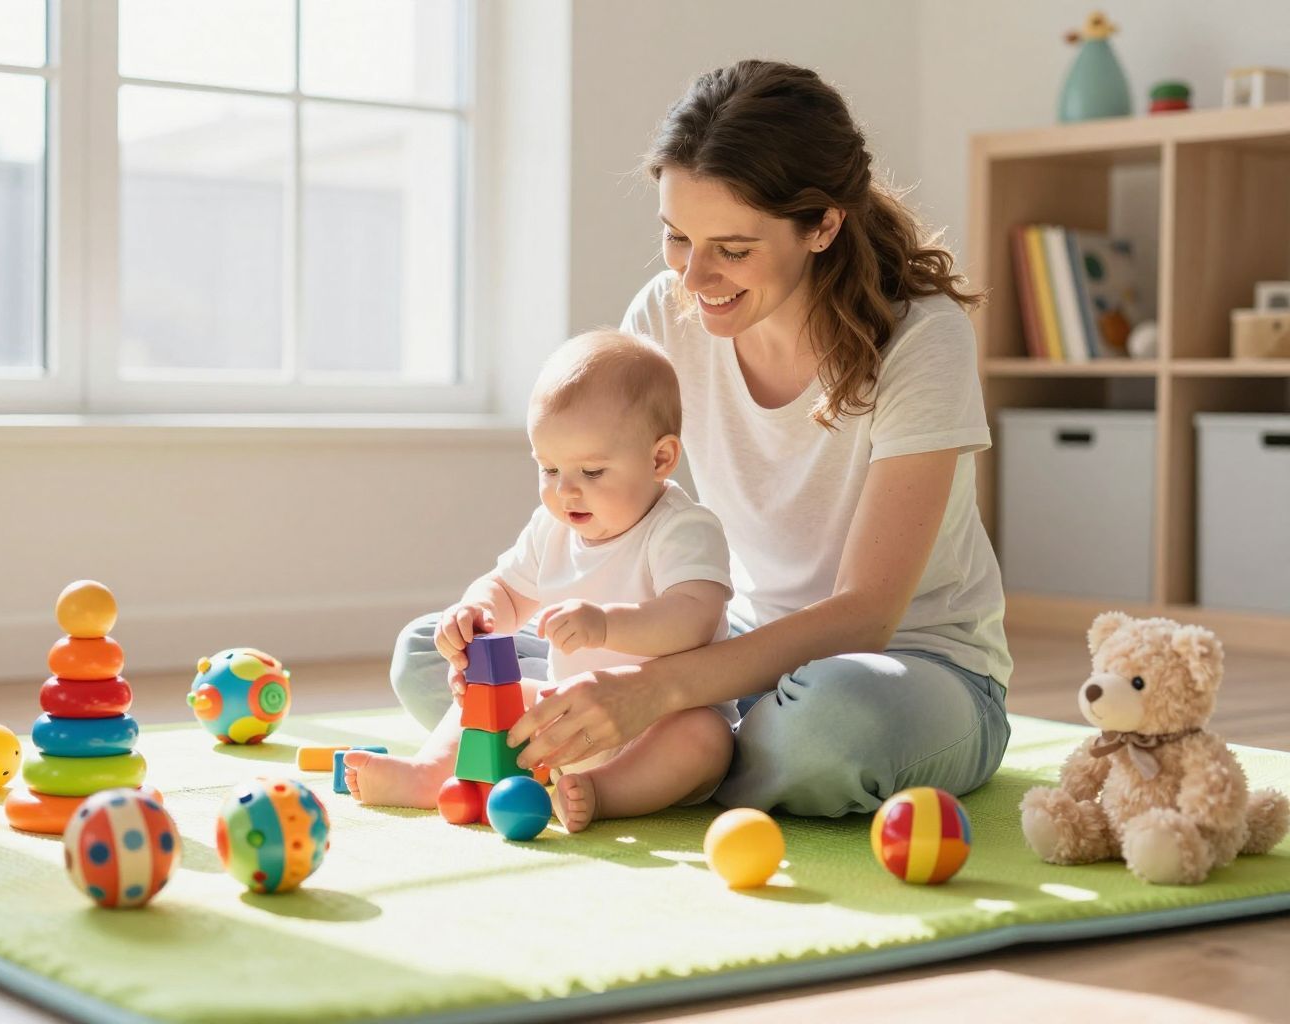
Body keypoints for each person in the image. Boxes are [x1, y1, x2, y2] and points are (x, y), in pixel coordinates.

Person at [391, 59, 1013, 819]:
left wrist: (649, 692)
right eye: (678, 237)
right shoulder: (664, 314)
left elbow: (864, 614)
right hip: (728, 644)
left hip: (903, 666)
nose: (694, 277)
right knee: (434, 653)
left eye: (733, 249)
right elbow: (620, 506)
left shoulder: (921, 339)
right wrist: (528, 625)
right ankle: (676, 755)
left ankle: (671, 754)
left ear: (822, 225)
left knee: (830, 727)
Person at [344, 329, 736, 831]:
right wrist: (475, 614)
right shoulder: (552, 527)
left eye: (592, 472)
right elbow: (507, 590)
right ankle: (433, 776)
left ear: (660, 459)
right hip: (567, 718)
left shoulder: (683, 527)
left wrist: (605, 626)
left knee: (705, 736)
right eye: (548, 468)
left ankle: (604, 792)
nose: (565, 490)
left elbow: (694, 619)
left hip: (661, 724)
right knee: (506, 694)